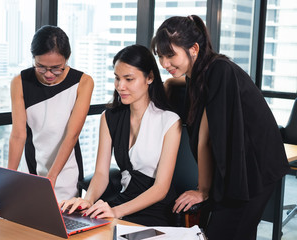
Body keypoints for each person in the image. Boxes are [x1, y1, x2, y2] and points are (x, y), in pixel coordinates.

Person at [151, 15, 290, 239]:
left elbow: (206, 137)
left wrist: (203, 191)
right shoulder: (200, 72)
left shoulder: (218, 72)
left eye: (170, 55)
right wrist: (168, 83)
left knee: (228, 231)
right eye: (160, 57)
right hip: (242, 164)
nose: (164, 64)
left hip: (255, 166)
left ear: (193, 48)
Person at [60, 44, 182, 226]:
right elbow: (101, 173)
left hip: (155, 208)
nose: (120, 86)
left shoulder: (170, 121)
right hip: (123, 200)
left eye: (129, 79)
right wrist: (89, 200)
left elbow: (161, 189)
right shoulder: (109, 117)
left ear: (149, 77)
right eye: (117, 78)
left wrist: (116, 212)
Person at [0, 25, 94, 200]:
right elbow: (18, 135)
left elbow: (72, 135)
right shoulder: (20, 82)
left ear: (67, 58)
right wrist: (6, 179)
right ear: (33, 58)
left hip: (65, 175)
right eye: (41, 66)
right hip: (30, 170)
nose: (48, 74)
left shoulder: (83, 82)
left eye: (56, 67)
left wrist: (51, 179)